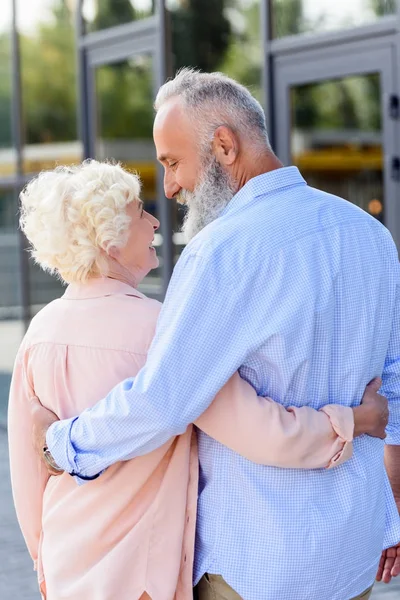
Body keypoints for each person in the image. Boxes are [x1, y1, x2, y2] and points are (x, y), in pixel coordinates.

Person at [30, 69, 400, 600]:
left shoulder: (220, 252)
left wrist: (60, 445)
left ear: (224, 145)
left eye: (173, 163)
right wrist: (394, 510)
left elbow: (162, 402)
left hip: (257, 563)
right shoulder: (372, 235)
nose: (171, 187)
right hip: (353, 552)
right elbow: (394, 382)